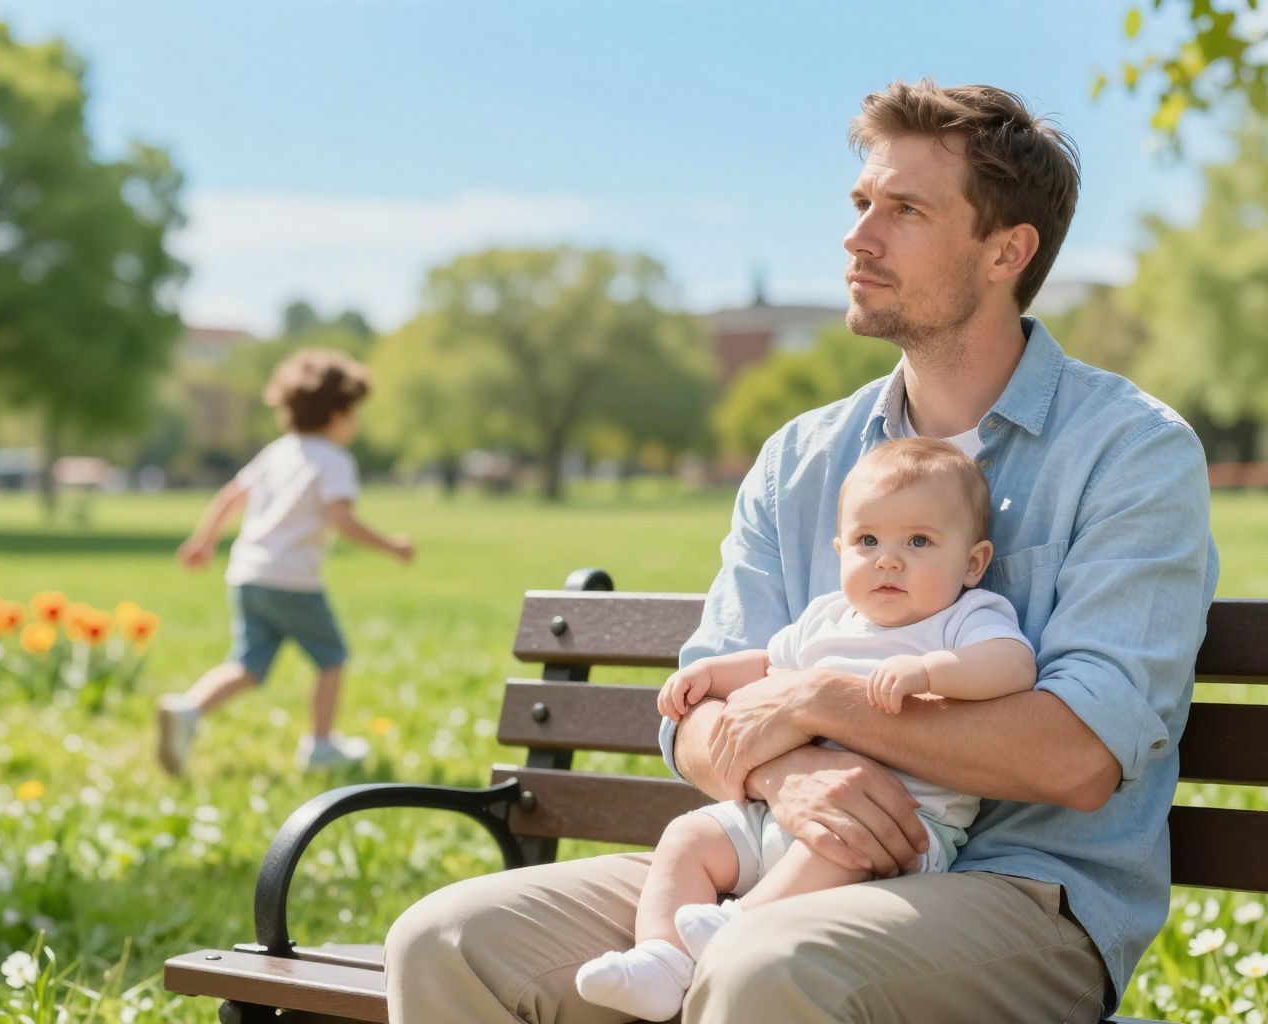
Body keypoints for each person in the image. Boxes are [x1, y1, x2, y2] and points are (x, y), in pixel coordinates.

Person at [386, 78, 1218, 1024]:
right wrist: (788, 773)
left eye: (905, 211)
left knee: (767, 965)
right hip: (770, 852)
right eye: (862, 202)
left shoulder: (1129, 453)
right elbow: (694, 720)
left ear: (1007, 251)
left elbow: (1079, 755)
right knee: (447, 940)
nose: (859, 237)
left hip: (1024, 892)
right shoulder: (802, 458)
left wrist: (823, 702)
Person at [574, 438, 1037, 1021]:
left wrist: (929, 671)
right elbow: (769, 665)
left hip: (897, 830)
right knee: (688, 838)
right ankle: (660, 960)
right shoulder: (826, 619)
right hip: (780, 815)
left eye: (918, 541)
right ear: (840, 550)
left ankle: (737, 924)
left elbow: (1012, 666)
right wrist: (710, 675)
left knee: (840, 844)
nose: (888, 560)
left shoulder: (964, 619)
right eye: (868, 542)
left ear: (972, 563)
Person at [156, 348, 413, 775]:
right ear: (338, 413)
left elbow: (230, 496)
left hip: (247, 576)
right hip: (292, 581)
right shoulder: (334, 461)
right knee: (332, 659)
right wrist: (391, 546)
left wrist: (204, 541)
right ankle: (321, 746)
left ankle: (188, 710)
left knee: (247, 665)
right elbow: (341, 519)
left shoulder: (277, 452)